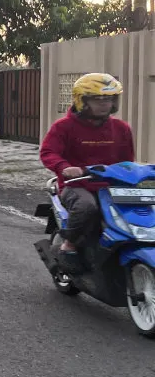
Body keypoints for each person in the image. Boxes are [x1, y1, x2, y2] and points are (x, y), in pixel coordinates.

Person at [39, 72, 134, 272]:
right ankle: (69, 245)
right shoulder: (63, 127)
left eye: (109, 99)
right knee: (87, 207)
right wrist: (64, 167)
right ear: (82, 100)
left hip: (111, 185)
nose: (104, 104)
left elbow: (127, 161)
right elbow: (48, 152)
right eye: (97, 99)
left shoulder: (122, 128)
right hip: (77, 185)